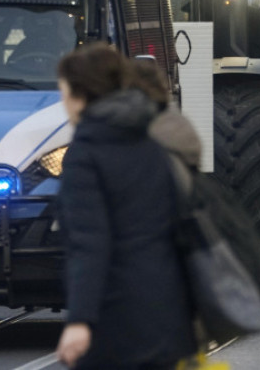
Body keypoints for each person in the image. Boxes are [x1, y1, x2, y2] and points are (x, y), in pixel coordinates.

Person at [55, 44, 197, 369]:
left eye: (63, 92)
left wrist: (79, 320)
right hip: (168, 310)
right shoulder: (152, 142)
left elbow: (89, 242)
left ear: (81, 95)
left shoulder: (85, 154)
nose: (62, 102)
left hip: (115, 317)